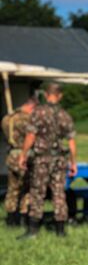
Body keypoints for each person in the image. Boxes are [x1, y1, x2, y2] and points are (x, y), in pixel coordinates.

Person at [18, 83, 77, 238]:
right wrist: (73, 163)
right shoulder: (65, 115)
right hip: (60, 160)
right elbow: (71, 142)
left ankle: (33, 230)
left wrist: (23, 155)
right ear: (60, 96)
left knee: (38, 192)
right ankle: (60, 230)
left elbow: (31, 136)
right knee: (59, 193)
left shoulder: (38, 113)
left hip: (42, 159)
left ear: (45, 94)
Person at [2, 97, 36, 226]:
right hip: (25, 156)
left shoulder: (7, 119)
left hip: (11, 156)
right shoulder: (28, 120)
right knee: (27, 189)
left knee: (12, 188)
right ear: (31, 107)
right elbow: (32, 136)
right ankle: (24, 217)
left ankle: (11, 218)